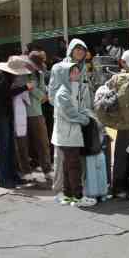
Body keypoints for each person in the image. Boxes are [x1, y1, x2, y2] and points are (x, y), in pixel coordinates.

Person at [48, 39, 92, 196]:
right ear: (71, 49)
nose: (80, 51)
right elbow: (52, 95)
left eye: (83, 49)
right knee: (64, 157)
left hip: (82, 116)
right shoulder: (59, 67)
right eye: (77, 48)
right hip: (65, 118)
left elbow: (86, 94)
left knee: (77, 157)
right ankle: (64, 188)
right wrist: (66, 109)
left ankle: (76, 187)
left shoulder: (84, 68)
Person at [51, 62, 96, 207]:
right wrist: (85, 120)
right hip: (67, 134)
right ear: (65, 75)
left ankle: (68, 195)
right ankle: (78, 197)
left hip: (69, 134)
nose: (77, 73)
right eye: (73, 71)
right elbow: (70, 113)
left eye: (77, 71)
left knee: (68, 165)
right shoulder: (63, 92)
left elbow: (80, 108)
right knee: (74, 165)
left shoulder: (73, 89)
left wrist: (86, 116)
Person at [0, 56, 33, 189]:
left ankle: (12, 176)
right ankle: (4, 179)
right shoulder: (1, 77)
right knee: (5, 146)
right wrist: (24, 87)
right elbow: (4, 94)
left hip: (4, 113)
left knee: (9, 146)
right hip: (1, 114)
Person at [111, 49, 129, 199]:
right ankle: (128, 187)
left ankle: (121, 187)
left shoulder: (116, 78)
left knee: (123, 155)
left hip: (125, 123)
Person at [27, 51, 53, 182]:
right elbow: (40, 94)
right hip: (22, 112)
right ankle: (27, 170)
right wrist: (38, 94)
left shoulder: (40, 74)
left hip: (37, 112)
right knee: (25, 144)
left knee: (43, 143)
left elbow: (43, 94)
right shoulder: (23, 73)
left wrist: (34, 91)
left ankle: (47, 170)